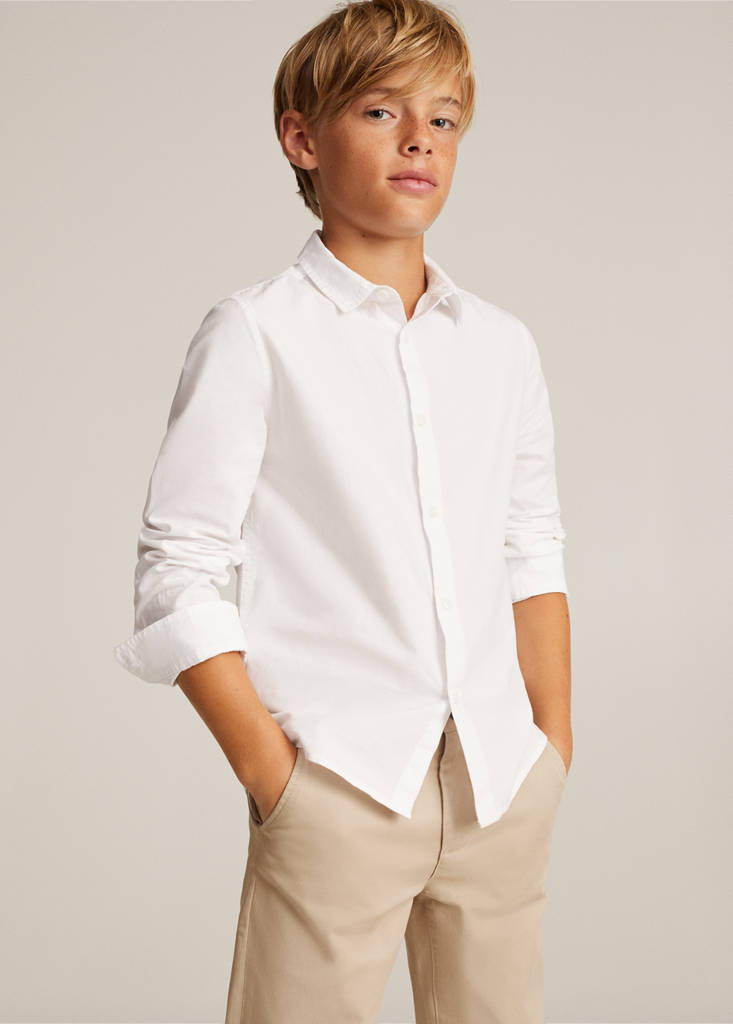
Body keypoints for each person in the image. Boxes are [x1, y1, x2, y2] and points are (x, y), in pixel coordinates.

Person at [113, 0, 573, 1020]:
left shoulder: (500, 346)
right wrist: (274, 776)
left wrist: (551, 741)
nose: (419, 139)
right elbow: (178, 566)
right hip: (340, 782)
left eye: (442, 118)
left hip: (499, 780)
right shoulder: (255, 335)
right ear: (302, 139)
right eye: (379, 111)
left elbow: (529, 544)